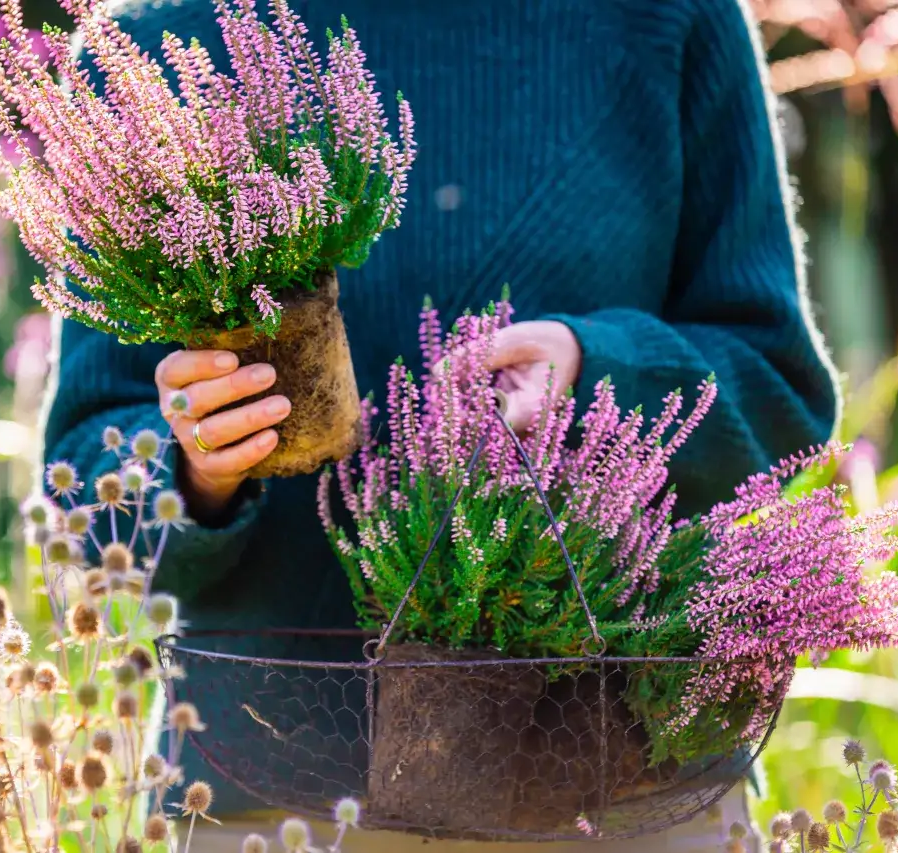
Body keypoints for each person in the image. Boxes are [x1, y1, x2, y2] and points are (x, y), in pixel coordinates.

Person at [43, 0, 840, 849]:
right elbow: (89, 472)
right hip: (276, 792)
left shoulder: (664, 17)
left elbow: (779, 389)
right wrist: (196, 466)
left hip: (616, 779)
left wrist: (602, 377)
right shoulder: (163, 47)